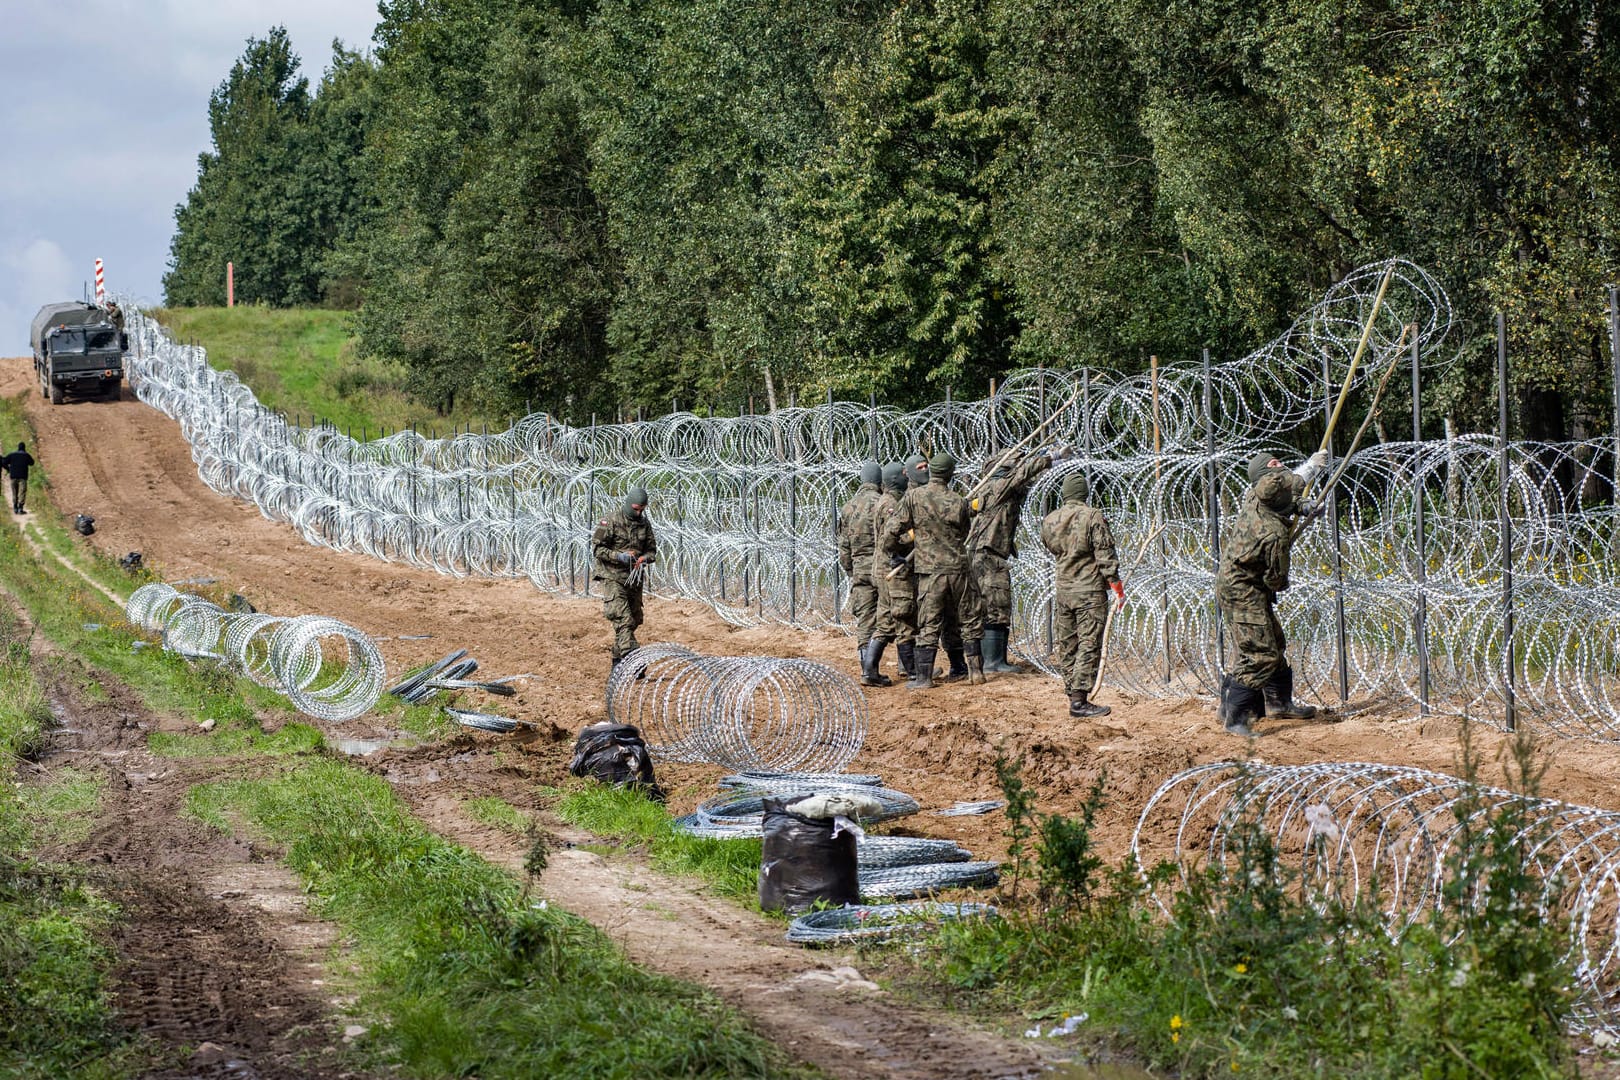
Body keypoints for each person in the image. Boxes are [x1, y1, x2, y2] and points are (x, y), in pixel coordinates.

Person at [1214, 450, 1330, 735]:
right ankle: (1236, 718)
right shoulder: (1273, 531)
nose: (1281, 468)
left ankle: (1278, 704)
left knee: (1272, 641)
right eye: (1274, 467)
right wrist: (1310, 469)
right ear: (1267, 479)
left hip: (1240, 584)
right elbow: (1276, 579)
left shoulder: (1255, 497)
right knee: (1260, 652)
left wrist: (1303, 507)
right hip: (1243, 589)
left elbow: (1282, 498)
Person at [881, 452, 984, 689]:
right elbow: (964, 533)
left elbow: (892, 530)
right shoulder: (958, 501)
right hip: (958, 568)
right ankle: (975, 672)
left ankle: (924, 678)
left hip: (930, 571)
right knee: (968, 618)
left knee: (929, 621)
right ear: (950, 475)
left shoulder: (915, 497)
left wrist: (894, 553)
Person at [968, 445, 1070, 673]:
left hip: (989, 554)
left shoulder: (1002, 488)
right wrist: (1047, 458)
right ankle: (993, 662)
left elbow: (1027, 480)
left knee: (996, 604)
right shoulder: (997, 486)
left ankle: (994, 661)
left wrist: (1052, 466)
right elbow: (1022, 473)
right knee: (995, 605)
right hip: (987, 555)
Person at [1040, 472, 1124, 717]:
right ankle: (1079, 701)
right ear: (1084, 493)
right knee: (1089, 643)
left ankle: (1072, 693)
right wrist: (1116, 585)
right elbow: (1104, 554)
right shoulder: (1092, 516)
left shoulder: (1050, 519)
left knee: (1068, 644)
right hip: (1089, 591)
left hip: (1064, 590)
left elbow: (1049, 546)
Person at [592, 485, 657, 671]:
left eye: (642, 510)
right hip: (612, 576)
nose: (638, 513)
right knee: (623, 618)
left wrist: (644, 558)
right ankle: (633, 659)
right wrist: (619, 556)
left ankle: (617, 660)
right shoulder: (610, 521)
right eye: (636, 509)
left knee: (634, 620)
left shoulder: (644, 524)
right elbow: (597, 549)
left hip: (634, 578)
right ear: (629, 504)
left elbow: (652, 550)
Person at [837, 462, 887, 686]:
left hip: (859, 568)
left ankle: (868, 669)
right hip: (882, 566)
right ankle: (910, 667)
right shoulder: (884, 503)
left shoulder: (849, 506)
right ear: (880, 481)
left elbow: (844, 546)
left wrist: (850, 570)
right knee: (897, 616)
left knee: (865, 619)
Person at [870, 462, 915, 682]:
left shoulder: (885, 500)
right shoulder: (891, 503)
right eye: (904, 475)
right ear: (896, 479)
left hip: (883, 568)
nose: (908, 478)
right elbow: (891, 537)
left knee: (886, 620)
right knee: (903, 616)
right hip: (893, 569)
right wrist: (914, 536)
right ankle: (913, 671)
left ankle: (870, 670)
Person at [4, 442, 34, 515]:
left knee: (15, 492)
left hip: (13, 476)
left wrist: (9, 469)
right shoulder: (26, 455)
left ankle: (15, 508)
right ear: (24, 448)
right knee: (22, 492)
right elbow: (32, 463)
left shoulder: (12, 454)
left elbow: (4, 461)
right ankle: (20, 508)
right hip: (23, 477)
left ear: (18, 447)